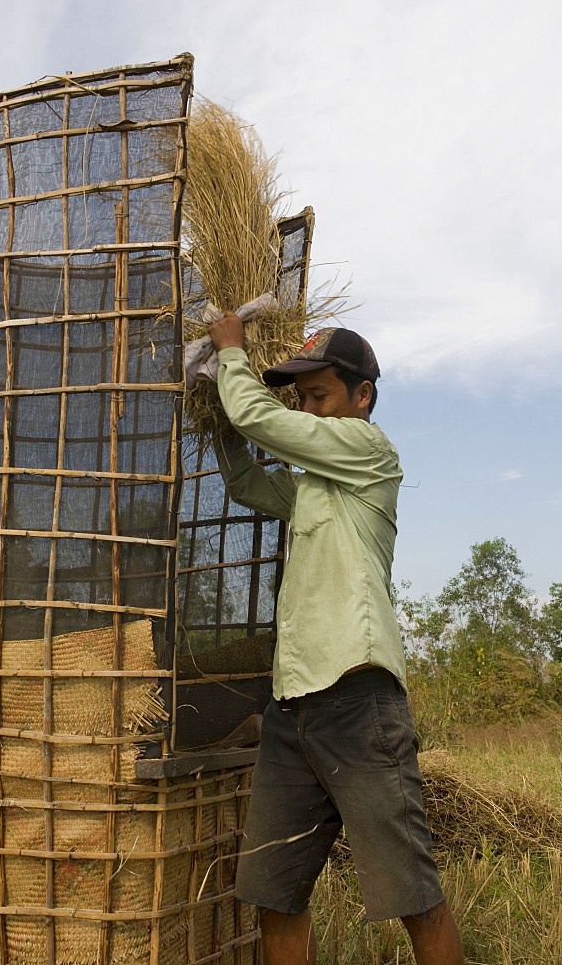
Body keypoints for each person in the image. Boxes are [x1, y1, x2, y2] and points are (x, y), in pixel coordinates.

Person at [208, 313, 464, 965]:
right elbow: (244, 479)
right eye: (303, 400)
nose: (309, 411)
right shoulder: (314, 485)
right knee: (275, 895)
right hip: (293, 710)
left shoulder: (371, 454)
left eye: (319, 397)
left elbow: (264, 422)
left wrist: (230, 356)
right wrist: (216, 411)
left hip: (358, 700)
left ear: (362, 397)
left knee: (413, 896)